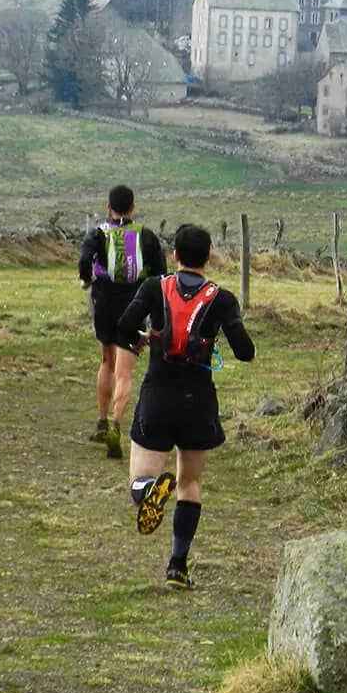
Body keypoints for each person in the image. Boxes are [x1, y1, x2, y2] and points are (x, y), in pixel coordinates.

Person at [115, 222, 255, 589]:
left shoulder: (152, 287)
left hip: (157, 396)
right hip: (198, 402)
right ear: (209, 257)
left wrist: (143, 338)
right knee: (189, 483)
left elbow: (123, 326)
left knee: (138, 478)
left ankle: (148, 491)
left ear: (174, 255)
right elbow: (246, 352)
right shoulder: (221, 299)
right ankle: (178, 566)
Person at [78, 185, 167, 459]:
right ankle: (117, 424)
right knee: (125, 370)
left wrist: (87, 279)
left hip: (104, 301)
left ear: (109, 208)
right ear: (133, 208)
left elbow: (84, 261)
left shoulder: (98, 234)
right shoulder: (146, 236)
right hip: (135, 304)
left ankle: (102, 422)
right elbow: (160, 273)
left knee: (107, 361)